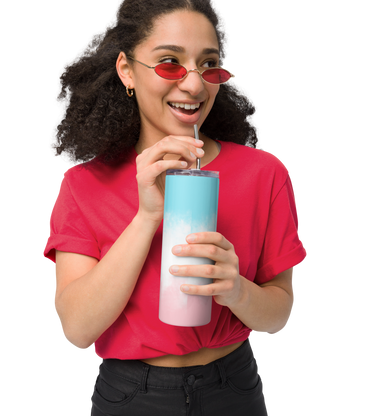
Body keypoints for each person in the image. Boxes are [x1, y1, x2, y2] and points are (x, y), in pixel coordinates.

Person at [41, 1, 309, 415]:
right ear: (127, 70)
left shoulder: (265, 173)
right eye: (170, 63)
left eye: (209, 65)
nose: (195, 85)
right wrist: (147, 216)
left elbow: (279, 318)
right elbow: (76, 331)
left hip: (235, 387)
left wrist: (237, 289)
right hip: (131, 395)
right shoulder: (83, 183)